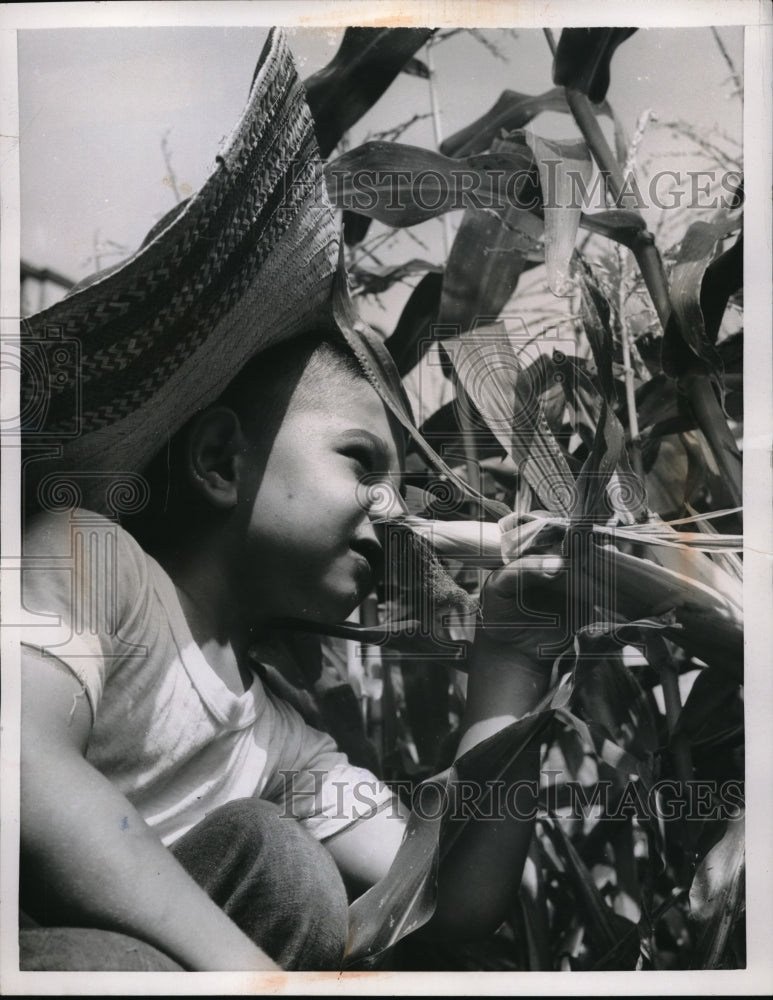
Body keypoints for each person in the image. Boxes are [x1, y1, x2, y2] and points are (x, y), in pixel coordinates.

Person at [18, 29, 556, 972]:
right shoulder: (89, 557)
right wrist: (253, 978)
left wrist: (511, 663)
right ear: (222, 459)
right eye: (362, 460)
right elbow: (17, 759)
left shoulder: (276, 744)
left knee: (287, 867)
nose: (397, 512)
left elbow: (445, 904)